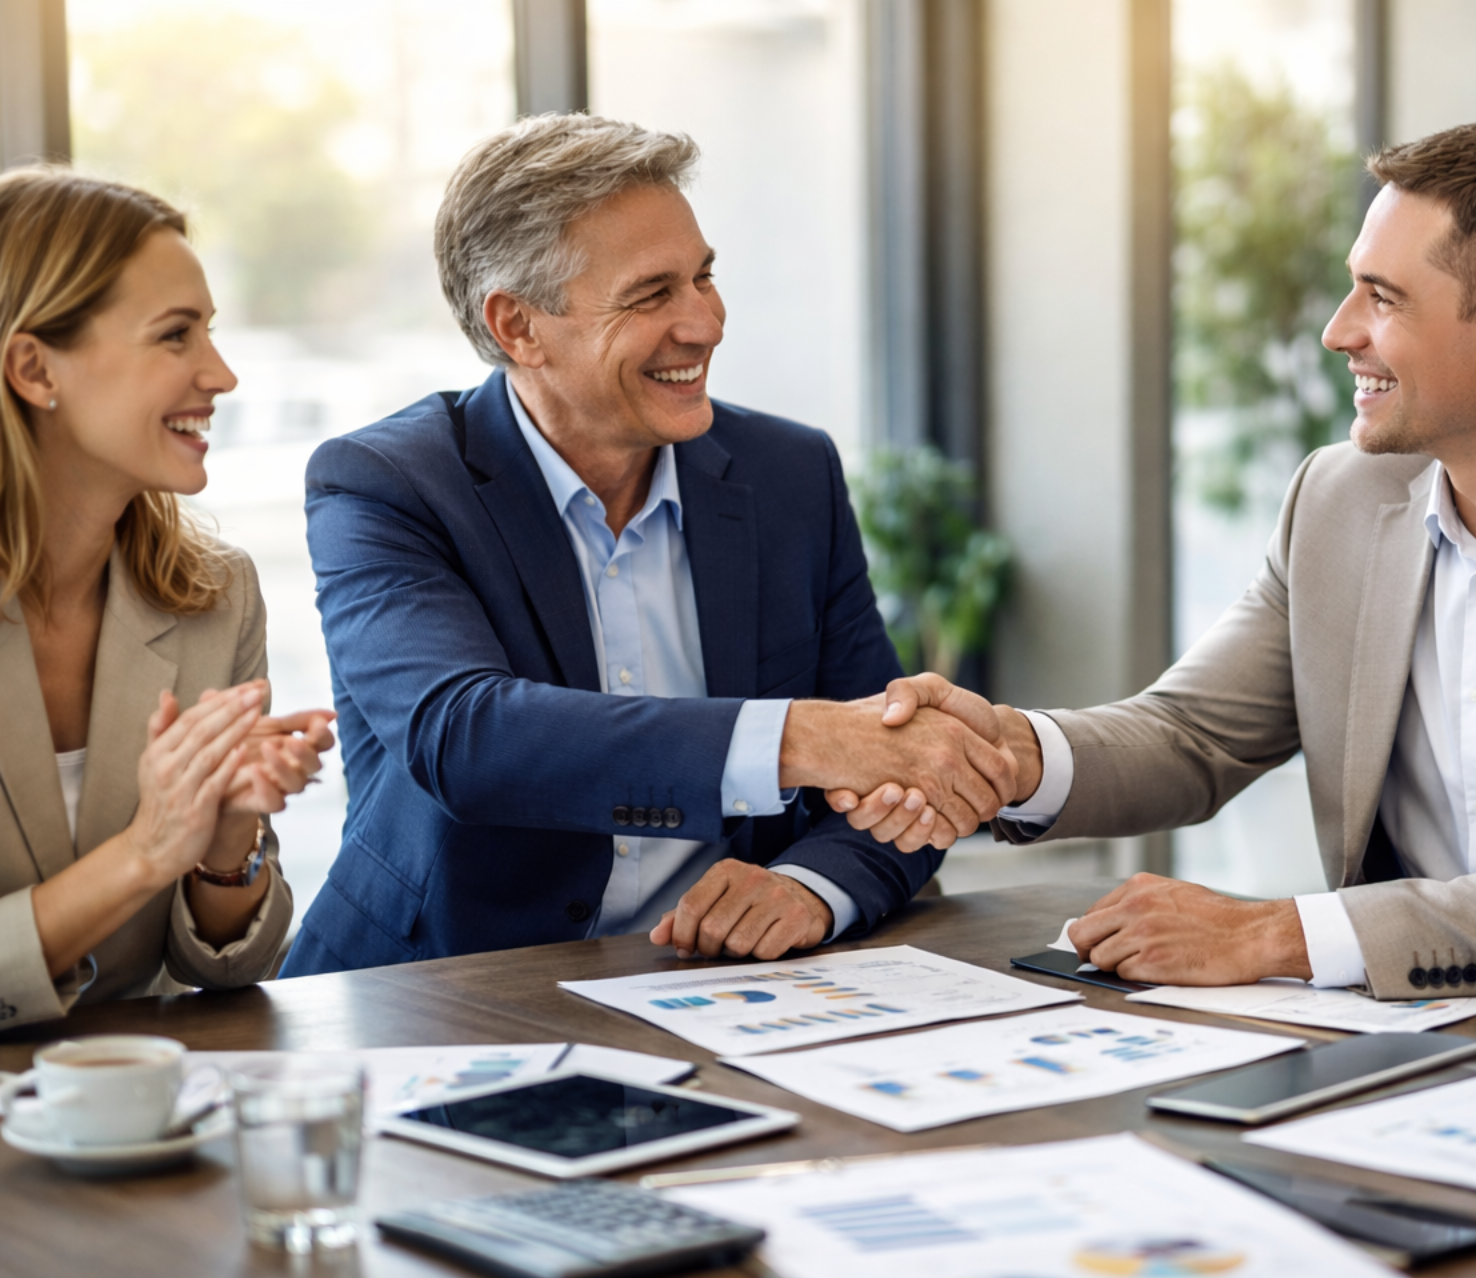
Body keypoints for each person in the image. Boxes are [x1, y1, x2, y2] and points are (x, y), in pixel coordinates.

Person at [832, 116, 1476, 996]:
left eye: (1381, 297)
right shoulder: (1340, 497)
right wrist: (1011, 757)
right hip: (1388, 1033)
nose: (1335, 332)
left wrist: (1278, 932)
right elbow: (1192, 737)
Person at [282, 115, 1016, 975]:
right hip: (433, 994)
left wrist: (810, 887)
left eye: (703, 278)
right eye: (651, 294)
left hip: (713, 995)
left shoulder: (790, 474)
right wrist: (798, 739)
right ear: (519, 327)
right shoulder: (387, 482)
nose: (704, 323)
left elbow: (891, 769)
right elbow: (467, 736)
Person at [0, 168, 332, 1028]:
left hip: (144, 1112)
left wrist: (225, 845)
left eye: (210, 333)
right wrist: (148, 850)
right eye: (175, 336)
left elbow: (229, 970)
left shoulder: (216, 596)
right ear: (35, 368)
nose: (220, 375)